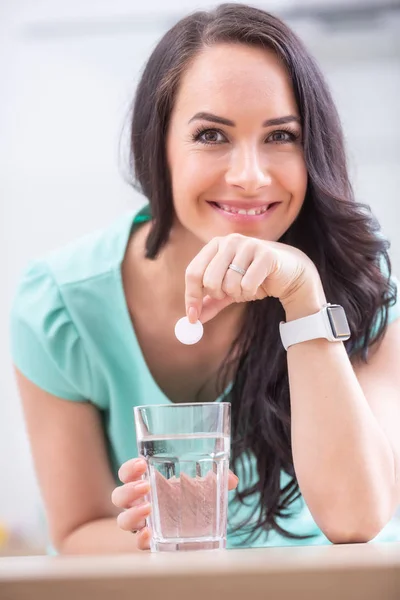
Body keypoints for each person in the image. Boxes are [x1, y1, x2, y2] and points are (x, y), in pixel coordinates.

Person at [10, 3, 400, 554]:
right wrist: (169, 537)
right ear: (159, 145)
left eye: (281, 136)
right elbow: (76, 532)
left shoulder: (358, 281)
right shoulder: (61, 305)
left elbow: (357, 519)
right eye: (212, 135)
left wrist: (303, 298)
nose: (249, 175)